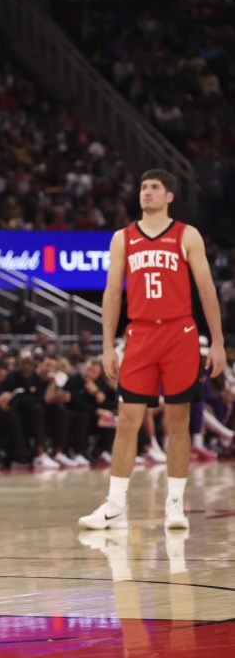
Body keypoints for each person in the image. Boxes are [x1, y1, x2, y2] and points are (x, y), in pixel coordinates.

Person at [79, 170, 226, 532]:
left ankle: (175, 504)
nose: (147, 192)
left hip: (180, 333)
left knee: (177, 421)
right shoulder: (123, 238)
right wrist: (107, 345)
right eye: (143, 187)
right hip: (140, 336)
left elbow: (207, 290)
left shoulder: (186, 235)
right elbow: (113, 294)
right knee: (127, 420)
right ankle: (115, 504)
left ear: (169, 196)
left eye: (154, 188)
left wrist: (219, 342)